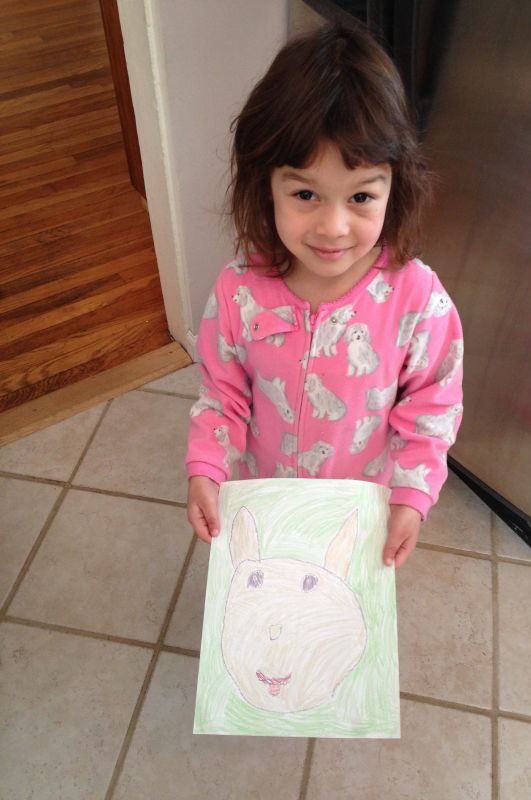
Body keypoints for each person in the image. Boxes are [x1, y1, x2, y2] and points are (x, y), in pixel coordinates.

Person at [186, 22, 463, 568]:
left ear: (395, 189)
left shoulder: (416, 299)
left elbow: (433, 406)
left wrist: (412, 496)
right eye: (306, 194)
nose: (333, 228)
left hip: (358, 508)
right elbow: (222, 395)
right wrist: (206, 467)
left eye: (360, 197)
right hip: (265, 497)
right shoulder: (239, 290)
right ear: (266, 186)